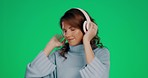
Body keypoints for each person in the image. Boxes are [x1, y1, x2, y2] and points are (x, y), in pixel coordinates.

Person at [25, 8, 110, 78]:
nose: (67, 34)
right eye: (65, 30)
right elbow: (30, 76)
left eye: (72, 29)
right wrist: (50, 46)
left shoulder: (101, 53)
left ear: (86, 28)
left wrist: (86, 41)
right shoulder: (57, 56)